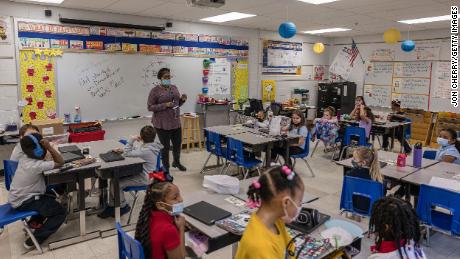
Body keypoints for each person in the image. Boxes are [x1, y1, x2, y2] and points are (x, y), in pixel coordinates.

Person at [8, 133, 66, 249]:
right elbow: (60, 162)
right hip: (25, 202)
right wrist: (49, 147)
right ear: (39, 149)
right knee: (60, 212)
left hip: (20, 197)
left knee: (53, 193)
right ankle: (35, 239)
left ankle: (34, 222)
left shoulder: (25, 158)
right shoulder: (35, 165)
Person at [235, 166, 304, 259]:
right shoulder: (261, 247)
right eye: (299, 202)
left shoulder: (275, 221)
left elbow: (290, 248)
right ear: (286, 202)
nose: (300, 207)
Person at [98, 126, 164, 218]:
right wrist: (124, 149)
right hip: (147, 174)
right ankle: (111, 205)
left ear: (141, 137)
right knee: (114, 179)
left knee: (116, 183)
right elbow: (139, 150)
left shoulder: (146, 150)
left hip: (145, 178)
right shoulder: (153, 145)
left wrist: (131, 139)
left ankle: (123, 206)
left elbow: (127, 153)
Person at [147, 68, 187, 172]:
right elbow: (150, 107)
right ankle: (166, 167)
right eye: (165, 77)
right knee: (165, 147)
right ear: (160, 78)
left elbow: (177, 104)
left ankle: (176, 162)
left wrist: (182, 100)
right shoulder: (155, 90)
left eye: (169, 77)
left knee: (177, 144)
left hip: (175, 121)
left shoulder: (174, 88)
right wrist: (165, 105)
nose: (168, 79)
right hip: (162, 123)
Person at [135, 182, 186, 259]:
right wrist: (181, 228)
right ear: (160, 205)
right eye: (175, 198)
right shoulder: (168, 230)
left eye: (179, 195)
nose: (181, 199)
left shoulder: (147, 216)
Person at [347, 147, 383, 218]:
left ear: (363, 163)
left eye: (354, 159)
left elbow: (348, 189)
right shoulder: (377, 177)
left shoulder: (352, 174)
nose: (352, 160)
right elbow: (382, 194)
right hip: (371, 209)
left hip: (353, 206)